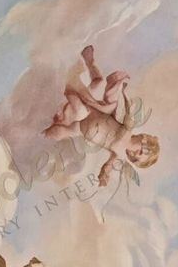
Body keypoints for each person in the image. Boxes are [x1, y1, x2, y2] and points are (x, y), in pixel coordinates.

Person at [43, 45, 159, 188]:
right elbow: (129, 109)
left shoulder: (119, 154)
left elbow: (108, 165)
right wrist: (123, 91)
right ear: (143, 139)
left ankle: (43, 131)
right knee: (94, 86)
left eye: (139, 154)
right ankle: (84, 67)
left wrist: (104, 175)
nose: (137, 150)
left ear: (134, 158)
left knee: (63, 130)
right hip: (92, 113)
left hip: (83, 127)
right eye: (142, 148)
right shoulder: (128, 130)